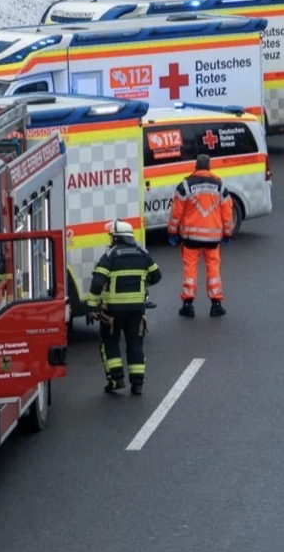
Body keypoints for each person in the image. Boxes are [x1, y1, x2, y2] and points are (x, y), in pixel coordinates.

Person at [89, 219, 161, 395]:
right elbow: (156, 276)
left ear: (116, 238)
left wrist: (91, 307)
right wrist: (143, 283)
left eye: (111, 237)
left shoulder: (110, 256)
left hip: (112, 312)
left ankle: (116, 380)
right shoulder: (142, 254)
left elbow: (97, 282)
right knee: (135, 345)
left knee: (110, 343)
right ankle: (137, 384)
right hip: (137, 311)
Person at [167, 154, 234, 318]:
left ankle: (188, 305)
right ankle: (216, 304)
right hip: (213, 238)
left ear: (195, 167)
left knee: (190, 268)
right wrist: (227, 233)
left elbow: (176, 212)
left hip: (190, 237)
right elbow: (227, 213)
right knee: (213, 268)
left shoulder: (185, 185)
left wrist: (172, 231)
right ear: (209, 167)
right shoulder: (220, 186)